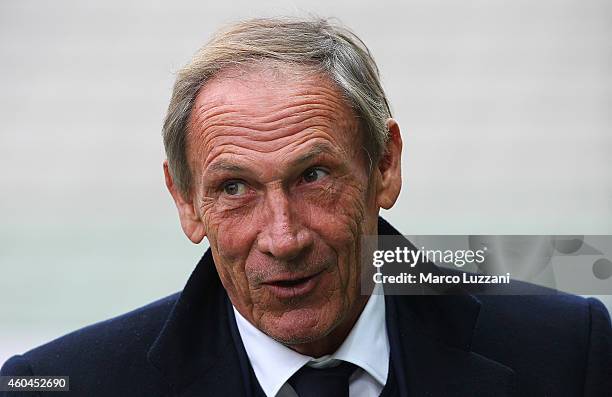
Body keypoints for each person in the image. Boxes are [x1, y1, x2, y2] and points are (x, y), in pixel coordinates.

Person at [1, 17, 610, 397]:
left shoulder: (568, 349)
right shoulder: (60, 384)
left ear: (385, 167)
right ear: (186, 203)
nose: (284, 237)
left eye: (313, 176)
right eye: (235, 188)